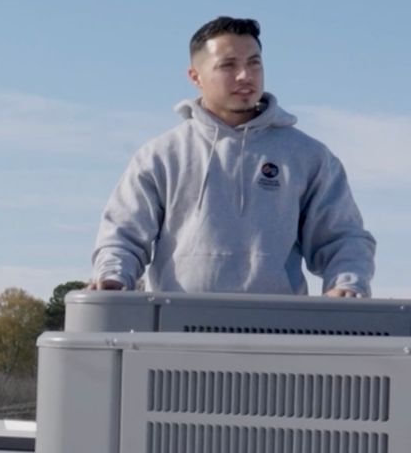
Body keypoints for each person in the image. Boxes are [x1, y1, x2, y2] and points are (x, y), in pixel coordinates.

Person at [91, 16, 375, 296]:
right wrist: (113, 276)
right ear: (195, 76)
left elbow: (342, 239)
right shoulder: (161, 156)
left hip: (281, 330)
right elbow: (123, 235)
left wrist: (347, 283)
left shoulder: (309, 157)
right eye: (228, 65)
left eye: (254, 63)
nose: (245, 75)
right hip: (175, 328)